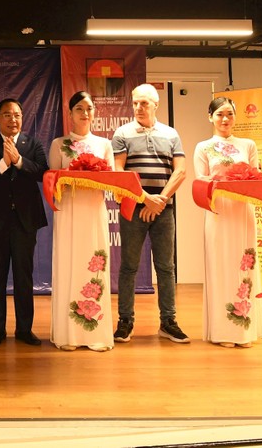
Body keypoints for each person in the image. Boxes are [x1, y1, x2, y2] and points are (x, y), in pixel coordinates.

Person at [112, 83, 189, 343]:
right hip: (134, 208)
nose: (138, 107)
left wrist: (161, 200)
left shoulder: (171, 134)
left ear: (156, 104)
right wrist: (145, 200)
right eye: (135, 103)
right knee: (129, 267)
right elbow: (118, 173)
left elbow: (180, 171)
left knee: (166, 268)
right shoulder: (122, 133)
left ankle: (168, 322)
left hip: (164, 211)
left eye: (144, 103)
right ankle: (125, 321)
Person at [0, 98, 48, 346]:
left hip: (25, 220)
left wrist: (18, 161)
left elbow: (42, 172)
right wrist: (4, 164)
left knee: (23, 276)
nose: (13, 119)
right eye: (7, 115)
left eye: (17, 114)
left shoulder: (32, 143)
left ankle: (24, 330)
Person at [194, 97, 262, 348]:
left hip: (243, 212)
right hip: (218, 212)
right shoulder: (203, 147)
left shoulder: (248, 144)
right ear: (210, 117)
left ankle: (243, 331)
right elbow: (201, 182)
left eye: (230, 114)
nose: (225, 119)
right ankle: (223, 331)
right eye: (220, 114)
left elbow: (255, 177)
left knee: (243, 267)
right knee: (221, 266)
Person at [48, 91, 115, 352]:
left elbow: (110, 179)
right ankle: (69, 335)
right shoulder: (58, 144)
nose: (84, 113)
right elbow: (52, 181)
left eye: (89, 108)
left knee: (93, 265)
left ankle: (95, 333)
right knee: (70, 264)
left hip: (94, 212)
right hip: (68, 212)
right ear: (70, 113)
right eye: (79, 109)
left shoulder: (104, 144)